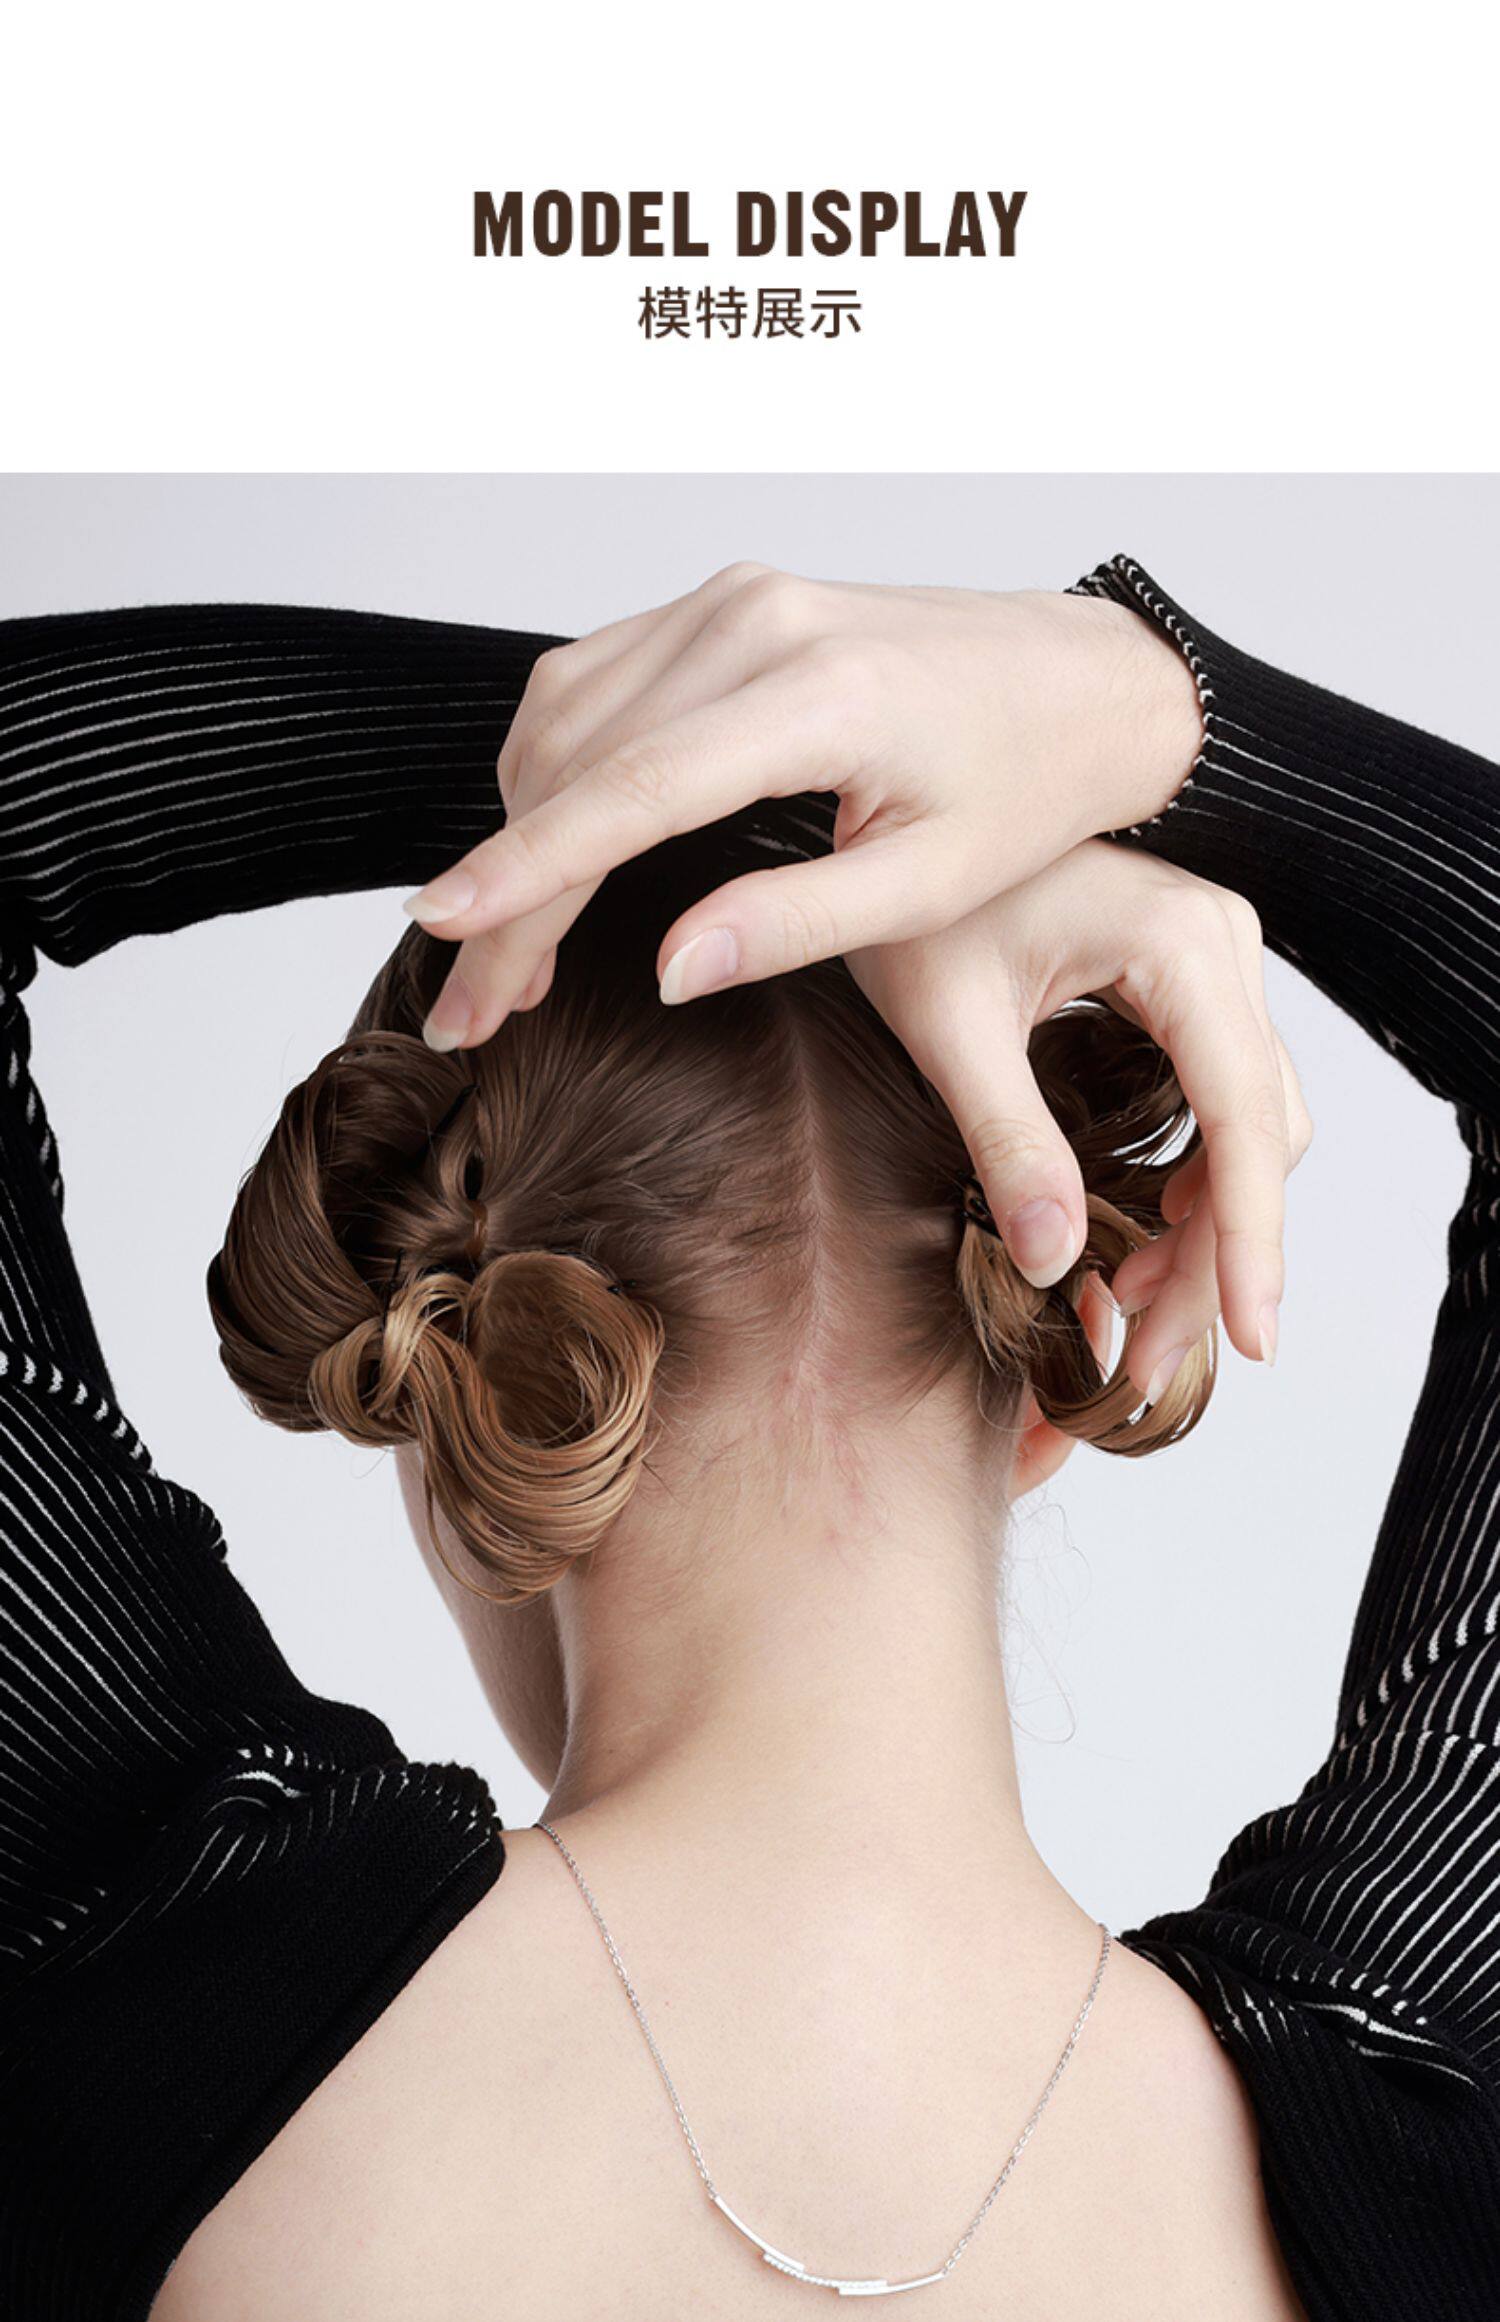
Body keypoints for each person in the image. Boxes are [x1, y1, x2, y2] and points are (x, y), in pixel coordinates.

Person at [0, 555, 1493, 2321]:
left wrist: (630, 775)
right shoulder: (1395, 2093)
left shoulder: (169, 1941)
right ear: (1058, 1352)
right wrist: (1151, 715)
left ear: (493, 1395)